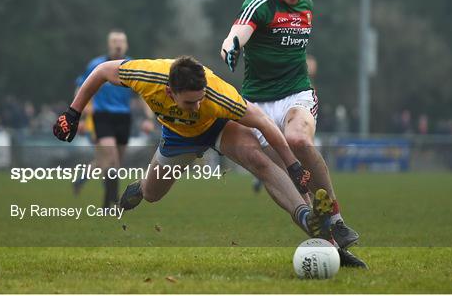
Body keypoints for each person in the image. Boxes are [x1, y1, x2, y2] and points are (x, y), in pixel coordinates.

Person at [53, 56, 365, 267]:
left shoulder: (218, 96)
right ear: (169, 92)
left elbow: (266, 127)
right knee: (152, 193)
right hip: (177, 137)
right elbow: (101, 72)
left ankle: (304, 216)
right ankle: (140, 188)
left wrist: (295, 167)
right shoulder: (145, 75)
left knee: (258, 160)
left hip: (219, 128)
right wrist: (73, 112)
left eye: (201, 98)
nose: (198, 104)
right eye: (190, 101)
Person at [220, 0, 365, 265]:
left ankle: (337, 221)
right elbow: (237, 32)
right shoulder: (260, 2)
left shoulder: (307, 7)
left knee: (298, 140)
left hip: (297, 94)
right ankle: (335, 250)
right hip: (258, 104)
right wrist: (231, 47)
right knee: (293, 187)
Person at [73, 29, 153, 207]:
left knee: (114, 163)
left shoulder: (132, 65)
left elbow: (143, 93)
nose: (118, 44)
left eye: (121, 41)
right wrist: (81, 113)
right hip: (102, 116)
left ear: (126, 45)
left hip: (124, 117)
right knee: (110, 159)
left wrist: (149, 118)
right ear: (109, 44)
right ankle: (112, 203)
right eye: (114, 41)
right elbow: (81, 88)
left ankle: (103, 199)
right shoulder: (97, 64)